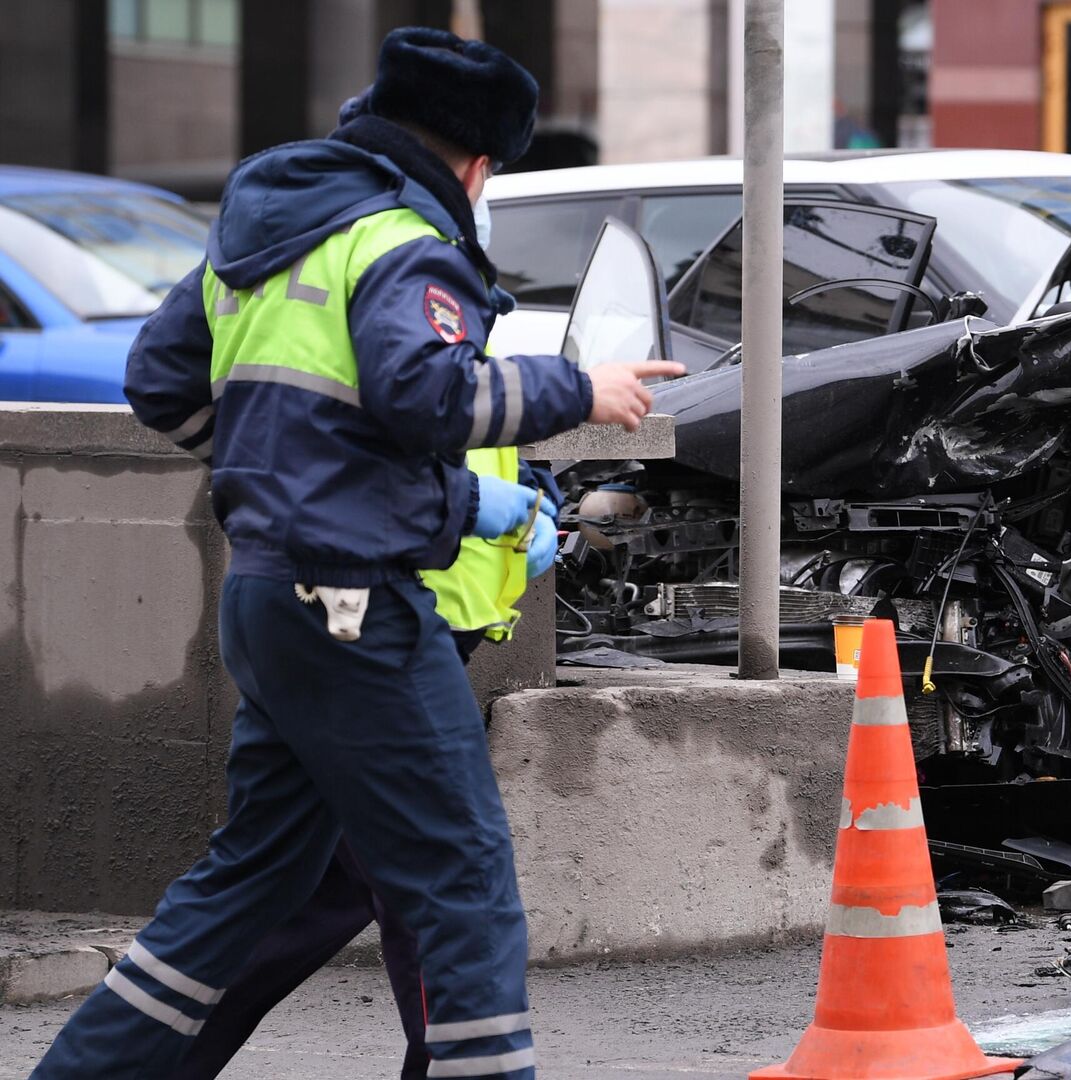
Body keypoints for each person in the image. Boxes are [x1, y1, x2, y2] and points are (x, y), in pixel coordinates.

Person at [31, 26, 681, 1080]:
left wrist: (279, 483)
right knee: (460, 873)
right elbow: (424, 394)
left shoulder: (269, 232)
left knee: (252, 877)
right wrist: (581, 391)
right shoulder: (405, 245)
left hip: (268, 592)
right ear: (475, 163)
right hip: (353, 605)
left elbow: (160, 382)